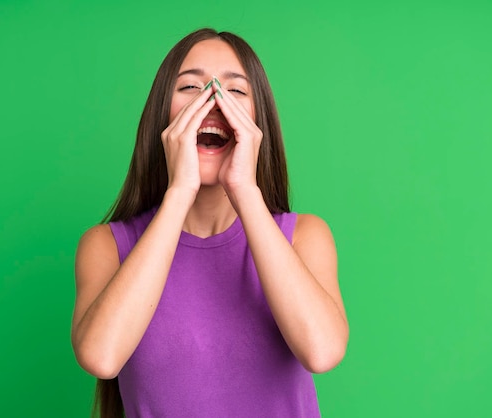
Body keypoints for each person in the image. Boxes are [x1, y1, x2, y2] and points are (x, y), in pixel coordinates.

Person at [71, 28, 349, 418]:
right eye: (190, 87)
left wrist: (246, 190)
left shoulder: (305, 237)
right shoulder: (107, 246)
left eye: (234, 91)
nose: (212, 102)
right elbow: (101, 357)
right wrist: (179, 191)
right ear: (160, 117)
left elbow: (322, 352)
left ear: (257, 121)